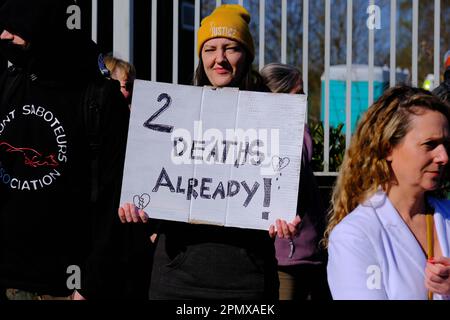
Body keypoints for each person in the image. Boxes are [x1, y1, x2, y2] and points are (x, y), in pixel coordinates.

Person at [118, 4, 300, 300]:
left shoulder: (275, 119)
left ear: (247, 55)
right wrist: (136, 210)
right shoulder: (174, 115)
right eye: (210, 49)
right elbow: (152, 186)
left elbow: (295, 194)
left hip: (249, 282)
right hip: (176, 281)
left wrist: (288, 217)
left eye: (230, 48)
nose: (219, 59)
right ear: (200, 57)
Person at [0, 0, 133, 299]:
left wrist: (90, 285)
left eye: (14, 28)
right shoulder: (8, 84)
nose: (4, 37)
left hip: (64, 289)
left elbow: (116, 197)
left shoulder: (99, 98)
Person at [325, 86, 450, 300]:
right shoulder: (355, 235)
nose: (444, 156)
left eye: (446, 145)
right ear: (387, 148)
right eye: (430, 144)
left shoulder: (446, 215)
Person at [260, 63, 331, 300]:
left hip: (299, 248)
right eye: (297, 93)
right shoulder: (287, 133)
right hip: (291, 251)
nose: (303, 100)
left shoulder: (285, 131)